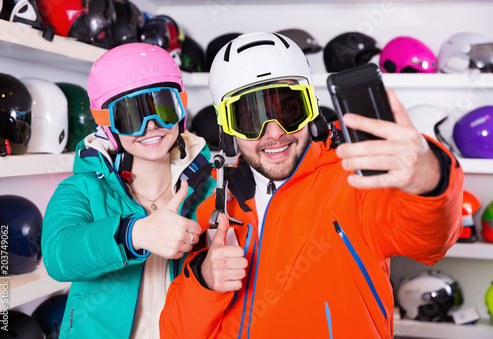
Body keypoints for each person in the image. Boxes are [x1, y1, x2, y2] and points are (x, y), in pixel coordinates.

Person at [159, 32, 464, 338]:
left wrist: (430, 177)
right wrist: (204, 279)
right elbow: (176, 332)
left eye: (289, 110)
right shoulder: (215, 202)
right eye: (251, 119)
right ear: (226, 127)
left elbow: (429, 241)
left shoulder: (355, 180)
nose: (275, 133)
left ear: (312, 109)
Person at [41, 43, 216, 338]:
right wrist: (135, 234)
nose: (151, 126)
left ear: (180, 107)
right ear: (107, 124)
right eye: (131, 116)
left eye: (163, 107)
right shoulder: (83, 188)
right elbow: (59, 256)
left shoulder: (209, 186)